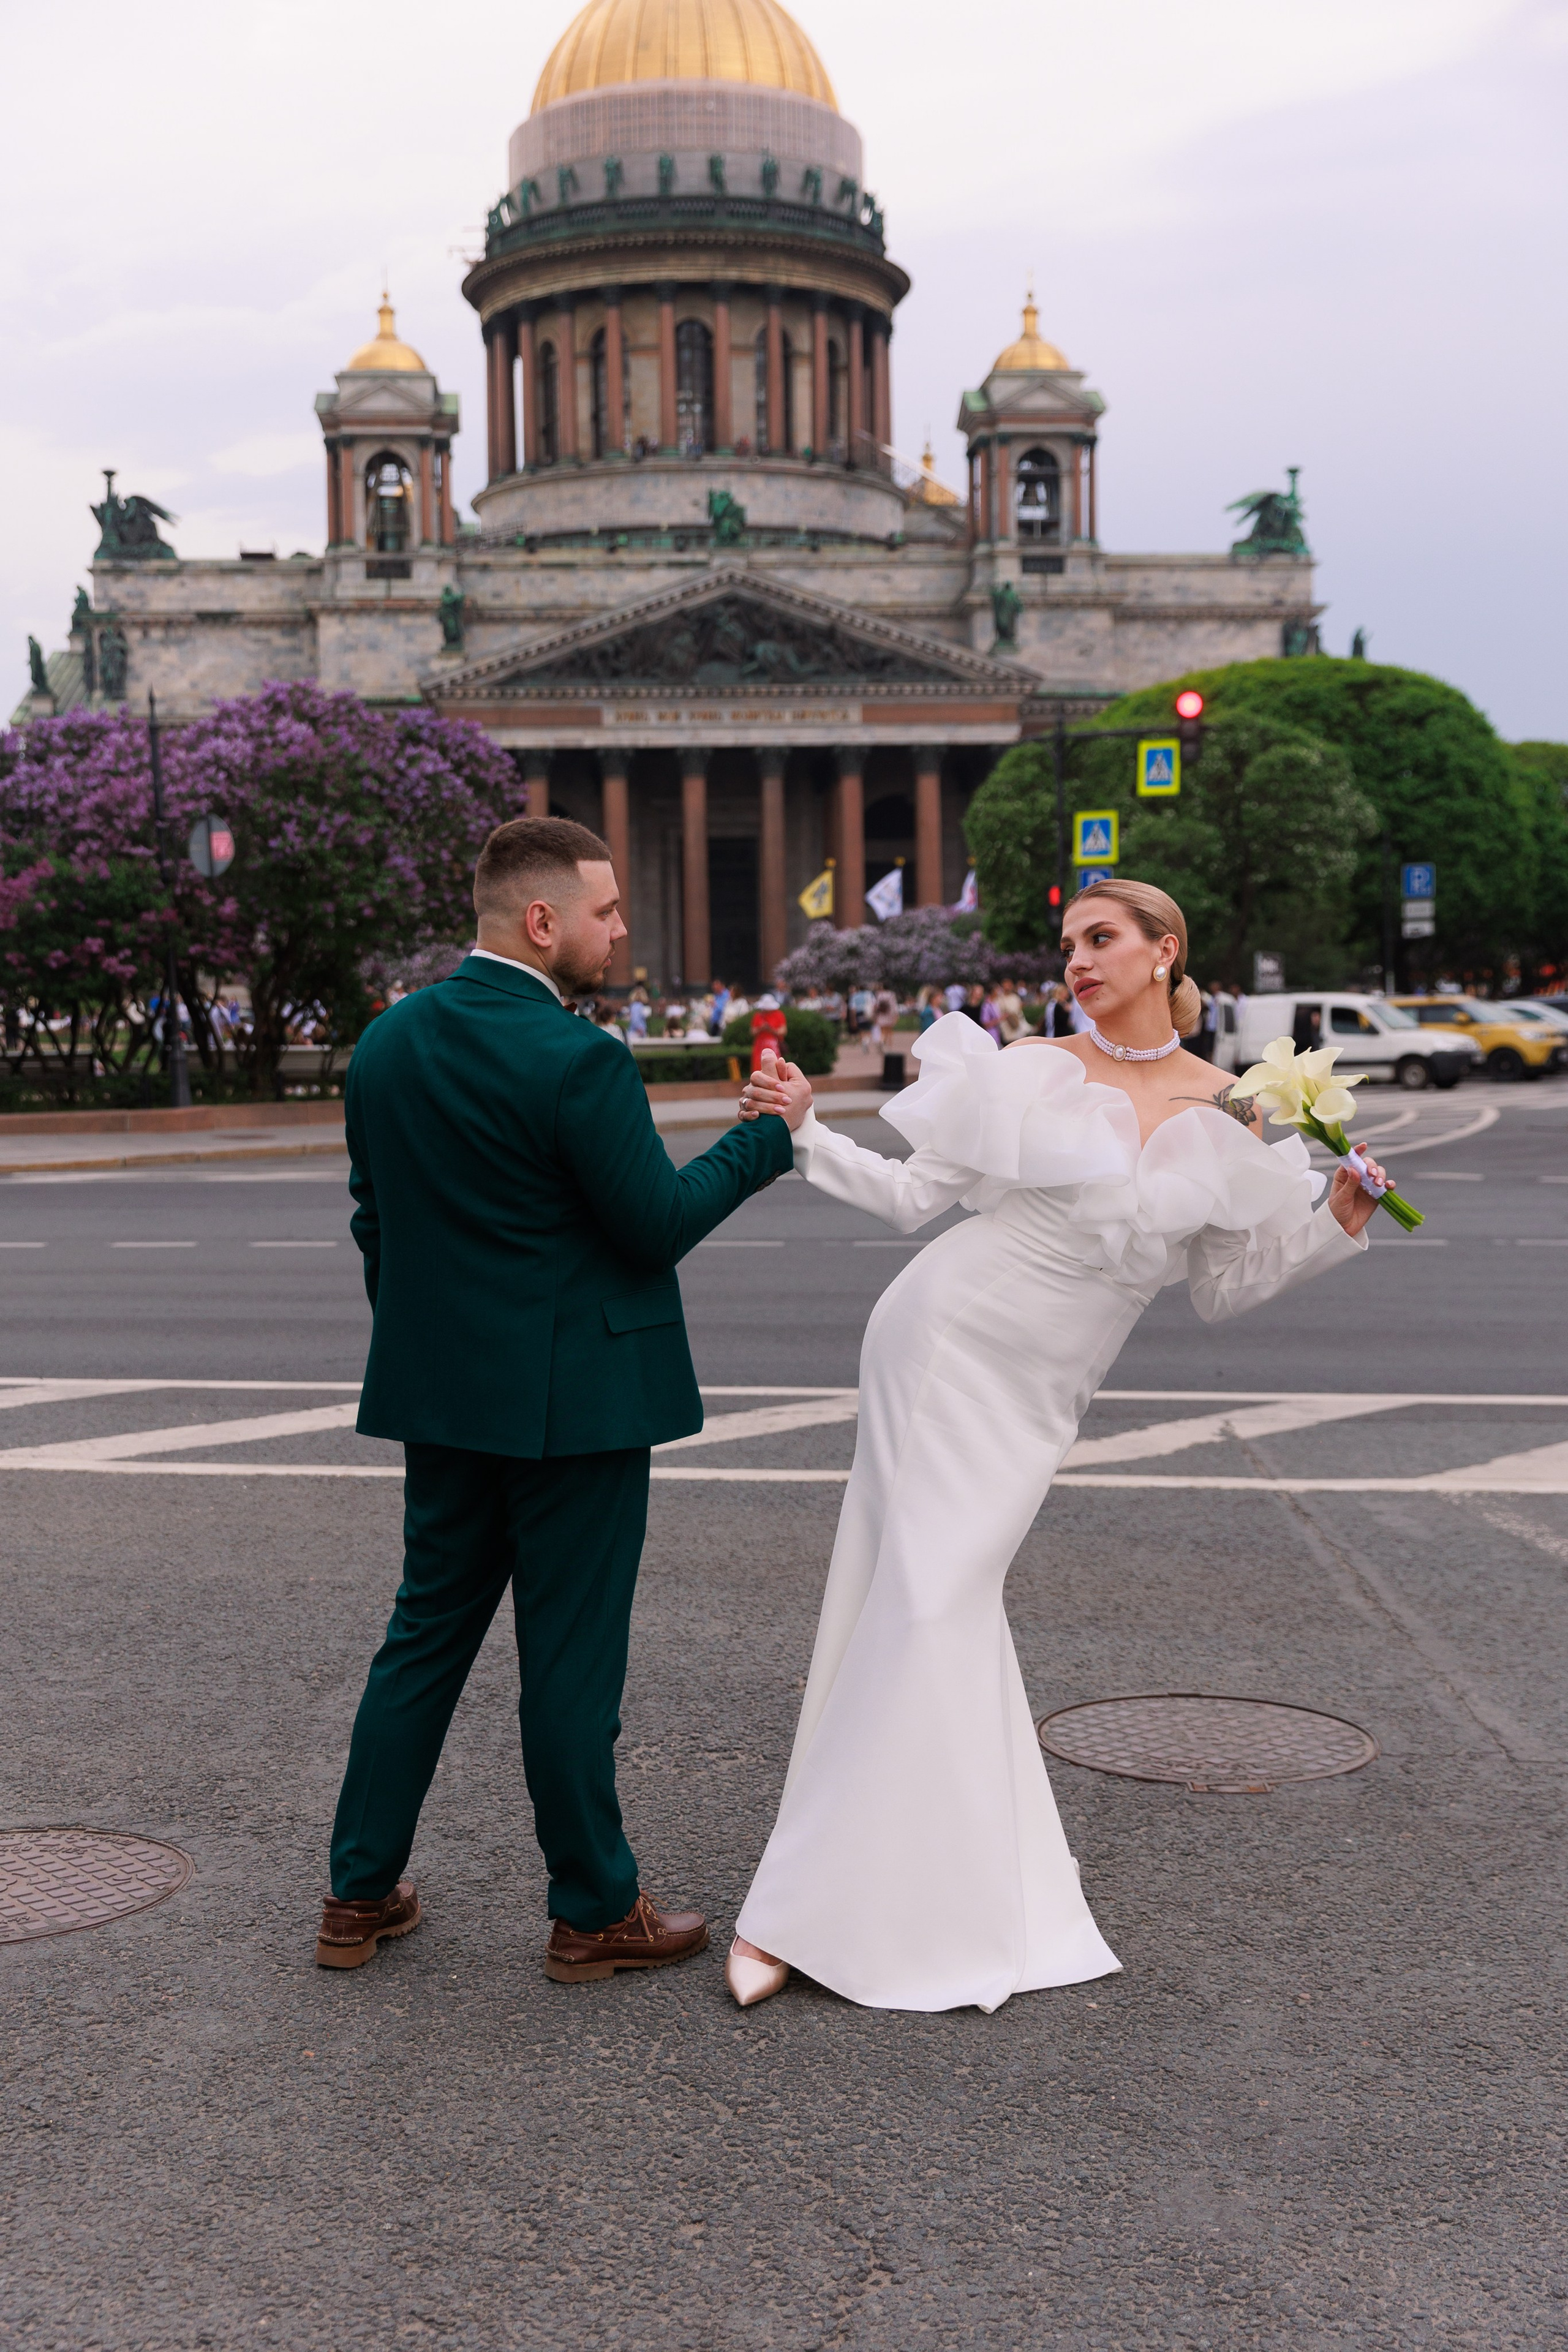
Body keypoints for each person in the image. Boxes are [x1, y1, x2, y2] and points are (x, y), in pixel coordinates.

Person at [726, 876, 1385, 2015]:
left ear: (1164, 948)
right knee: (925, 1600)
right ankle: (795, 1910)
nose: (1076, 961)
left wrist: (1335, 1223)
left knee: (940, 1603)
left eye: (1101, 939)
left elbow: (1223, 1289)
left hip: (1041, 1392)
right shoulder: (1027, 1069)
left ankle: (923, 1881)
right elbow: (908, 1200)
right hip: (941, 1341)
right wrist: (804, 1132)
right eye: (1068, 944)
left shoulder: (1235, 1107)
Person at [315, 817, 795, 1977]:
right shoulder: (578, 1058)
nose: (621, 930)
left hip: (444, 1399)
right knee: (570, 1665)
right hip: (577, 1406)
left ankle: (357, 1895)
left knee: (421, 1643)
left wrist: (443, 1345)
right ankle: (592, 1909)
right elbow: (655, 1226)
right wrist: (766, 1138)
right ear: (543, 922)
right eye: (608, 911)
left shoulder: (385, 1046)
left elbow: (377, 1226)